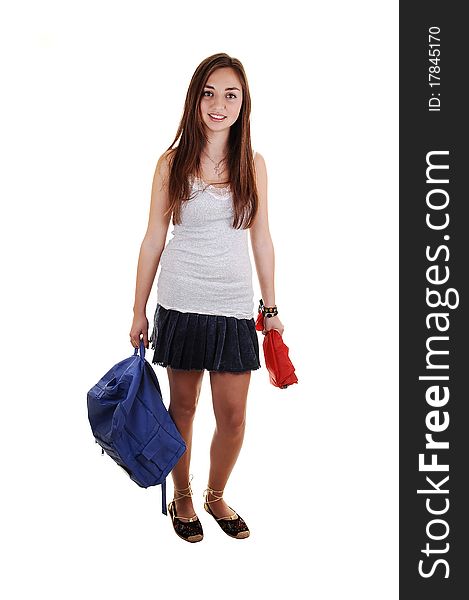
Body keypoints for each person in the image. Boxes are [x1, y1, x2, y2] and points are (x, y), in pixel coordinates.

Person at [129, 52, 284, 543]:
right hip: (180, 298)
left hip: (234, 304)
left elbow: (261, 238)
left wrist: (272, 308)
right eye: (209, 93)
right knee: (184, 409)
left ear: (243, 103)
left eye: (230, 94)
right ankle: (182, 496)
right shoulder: (171, 163)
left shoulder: (253, 165)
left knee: (234, 416)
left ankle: (216, 495)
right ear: (195, 99)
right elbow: (154, 236)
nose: (219, 104)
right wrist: (137, 310)